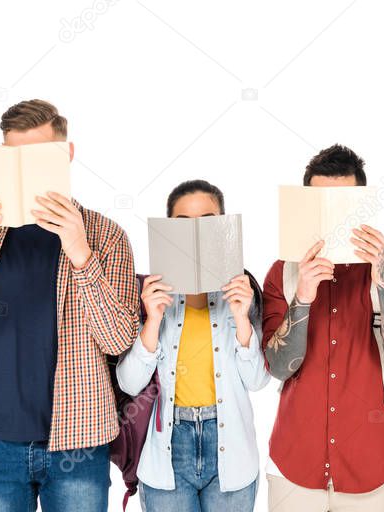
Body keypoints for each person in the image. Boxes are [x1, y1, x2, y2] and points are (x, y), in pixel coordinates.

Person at [0, 99, 139, 511]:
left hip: (79, 441)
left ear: (67, 154)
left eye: (39, 158)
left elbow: (117, 340)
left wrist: (80, 252)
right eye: (14, 157)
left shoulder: (106, 236)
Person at [261, 144, 384, 511]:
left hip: (372, 462)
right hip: (294, 463)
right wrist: (302, 296)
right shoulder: (282, 272)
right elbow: (278, 367)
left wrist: (382, 279)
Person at [116, 180, 269, 512]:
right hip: (168, 452)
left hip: (231, 452)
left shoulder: (242, 292)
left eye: (208, 221)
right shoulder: (151, 292)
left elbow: (258, 381)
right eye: (184, 224)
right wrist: (153, 319)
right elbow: (129, 382)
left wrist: (242, 317)